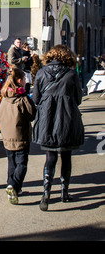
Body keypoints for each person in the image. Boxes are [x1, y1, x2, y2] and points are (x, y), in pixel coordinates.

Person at [32, 44, 84, 211]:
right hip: (67, 118)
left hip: (48, 119)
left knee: (50, 156)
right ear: (67, 56)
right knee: (66, 156)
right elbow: (78, 99)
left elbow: (36, 98)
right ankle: (64, 191)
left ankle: (46, 192)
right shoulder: (72, 74)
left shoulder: (41, 73)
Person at [0, 67, 36, 205]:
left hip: (7, 136)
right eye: (25, 79)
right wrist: (27, 97)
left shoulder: (5, 96)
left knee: (12, 162)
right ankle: (13, 185)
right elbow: (32, 114)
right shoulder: (21, 98)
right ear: (19, 81)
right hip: (20, 136)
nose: (26, 81)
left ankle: (15, 188)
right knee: (22, 163)